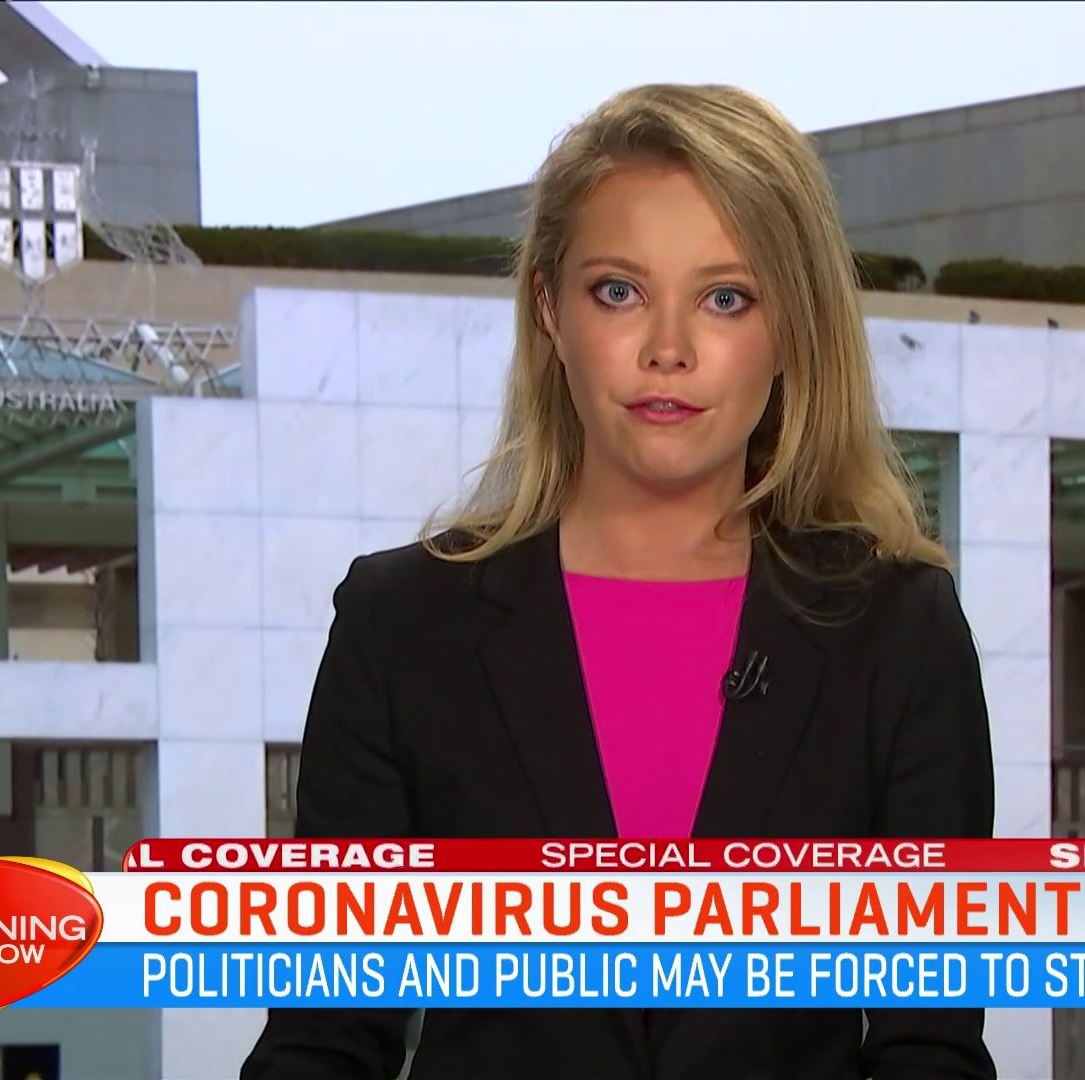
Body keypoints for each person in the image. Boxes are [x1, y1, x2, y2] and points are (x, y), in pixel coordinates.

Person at [241, 83, 997, 1080]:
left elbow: (930, 1048)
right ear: (549, 310)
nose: (667, 349)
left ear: (793, 329)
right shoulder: (401, 628)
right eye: (619, 292)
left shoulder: (899, 632)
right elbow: (323, 1040)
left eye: (726, 298)